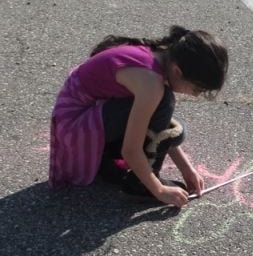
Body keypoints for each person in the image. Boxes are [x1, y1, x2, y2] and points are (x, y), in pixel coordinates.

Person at [49, 25, 229, 208]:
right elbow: (131, 149)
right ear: (177, 71)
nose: (196, 95)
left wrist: (186, 168)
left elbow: (160, 129)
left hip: (81, 119)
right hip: (75, 128)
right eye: (196, 89)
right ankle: (140, 185)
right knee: (166, 105)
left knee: (173, 129)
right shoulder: (151, 83)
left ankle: (104, 159)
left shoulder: (159, 56)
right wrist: (158, 190)